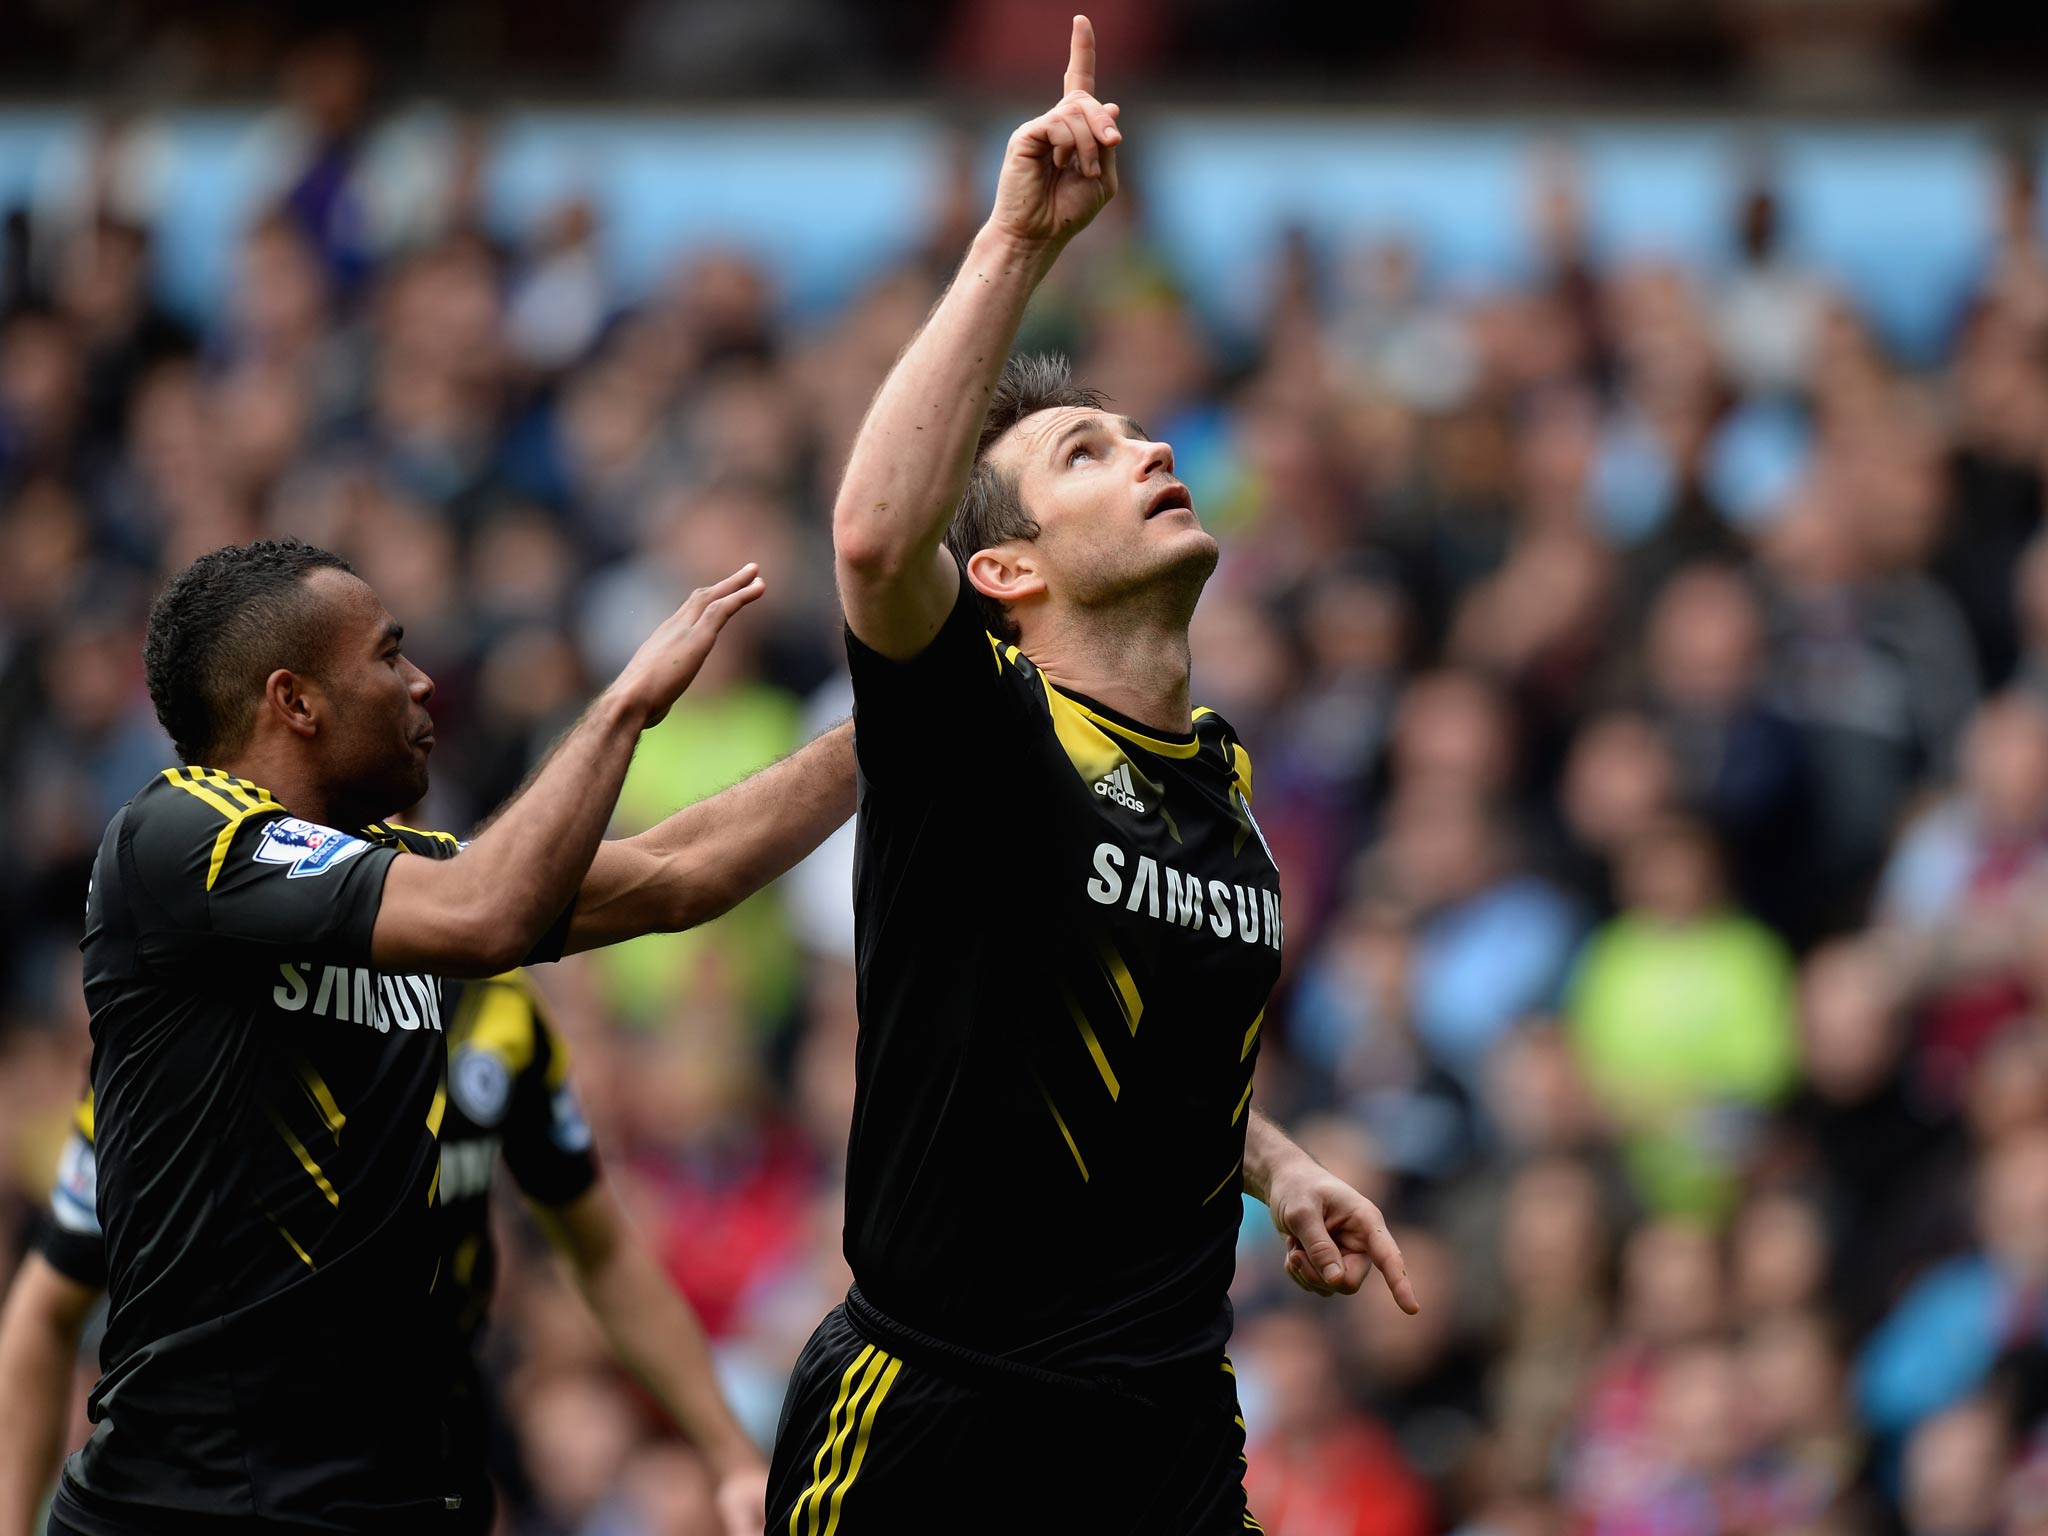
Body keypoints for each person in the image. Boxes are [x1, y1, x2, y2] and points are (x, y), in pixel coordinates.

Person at [765, 18, 1416, 1533]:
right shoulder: (978, 729)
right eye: (1082, 456)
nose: (1143, 451)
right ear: (1001, 569)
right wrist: (1018, 239)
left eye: (1135, 433)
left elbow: (1136, 1044)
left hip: (1166, 1432)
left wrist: (1278, 1159)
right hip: (937, 1424)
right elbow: (871, 541)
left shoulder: (1225, 786)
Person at [50, 536, 854, 1534]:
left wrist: (901, 712)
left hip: (396, 1496)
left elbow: (681, 872)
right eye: (388, 656)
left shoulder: (397, 873)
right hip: (196, 1504)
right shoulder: (178, 839)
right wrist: (620, 710)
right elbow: (488, 915)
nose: (422, 683)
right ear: (295, 701)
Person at [0, 975, 765, 1536]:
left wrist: (732, 1457)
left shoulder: (499, 1010)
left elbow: (600, 1249)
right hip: (230, 1489)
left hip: (429, 1478)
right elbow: (44, 1310)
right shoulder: (198, 1016)